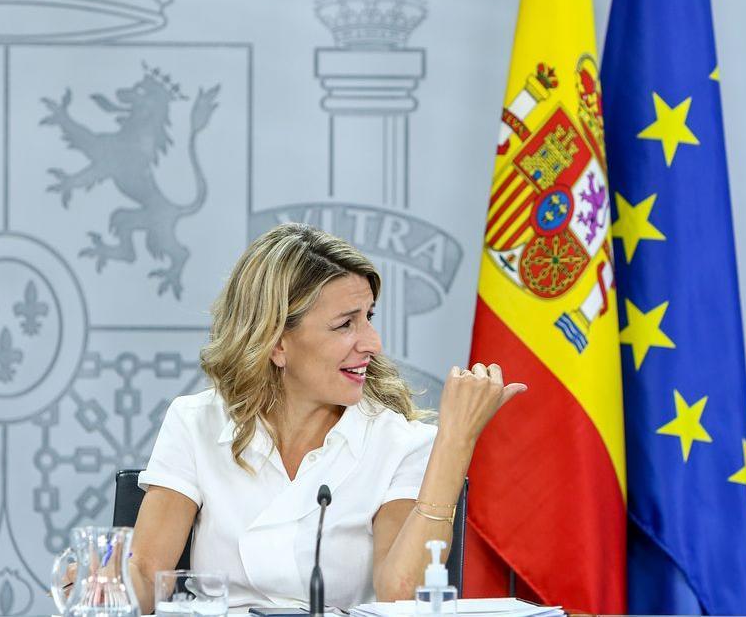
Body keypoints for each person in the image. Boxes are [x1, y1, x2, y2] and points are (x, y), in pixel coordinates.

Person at [125, 223, 526, 611]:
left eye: (369, 316)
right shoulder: (196, 421)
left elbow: (402, 598)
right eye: (345, 324)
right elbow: (144, 575)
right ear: (276, 343)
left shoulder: (399, 443)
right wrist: (101, 583)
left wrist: (455, 441)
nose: (372, 343)